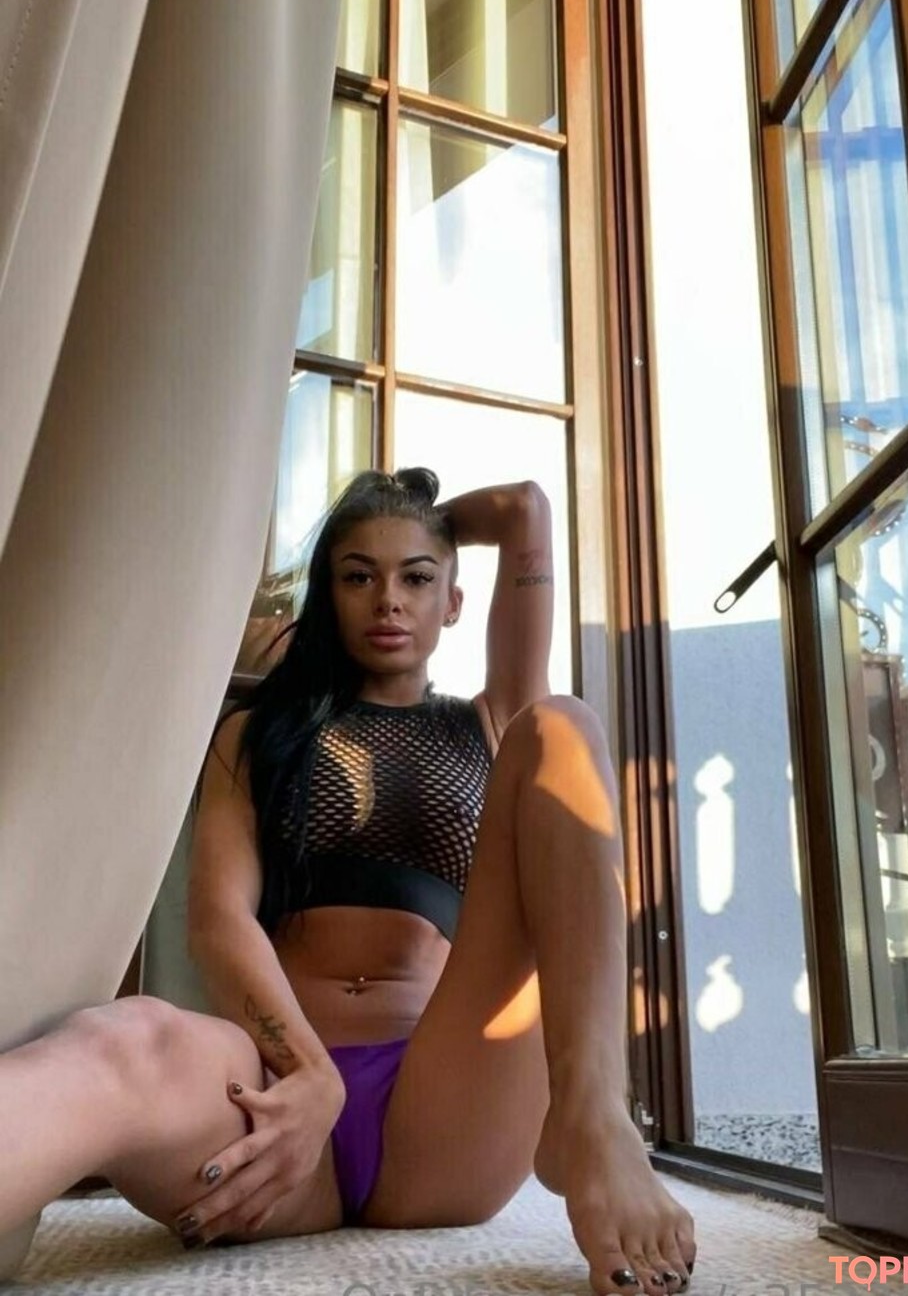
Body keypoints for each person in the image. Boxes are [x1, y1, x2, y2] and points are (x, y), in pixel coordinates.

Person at [0, 469, 696, 1295]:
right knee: (122, 1041)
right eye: (358, 576)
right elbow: (219, 919)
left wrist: (421, 510)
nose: (388, 600)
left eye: (417, 578)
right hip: (277, 1091)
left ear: (454, 602)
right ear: (329, 597)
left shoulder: (488, 720)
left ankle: (593, 1118)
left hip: (448, 1101)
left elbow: (525, 511)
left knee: (564, 727)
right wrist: (311, 1075)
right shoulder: (255, 733)